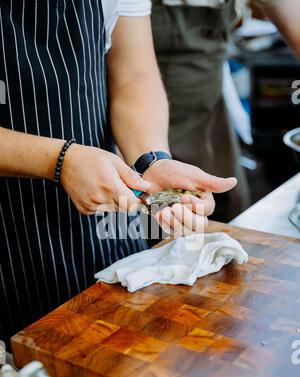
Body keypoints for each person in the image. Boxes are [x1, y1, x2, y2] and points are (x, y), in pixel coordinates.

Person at [0, 0, 237, 347]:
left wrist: (151, 161)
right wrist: (57, 160)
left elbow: (133, 75)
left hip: (102, 217)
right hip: (9, 241)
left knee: (115, 350)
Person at [151, 0, 300, 221]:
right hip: (142, 117)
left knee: (224, 210)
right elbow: (133, 78)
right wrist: (151, 160)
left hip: (206, 102)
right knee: (159, 218)